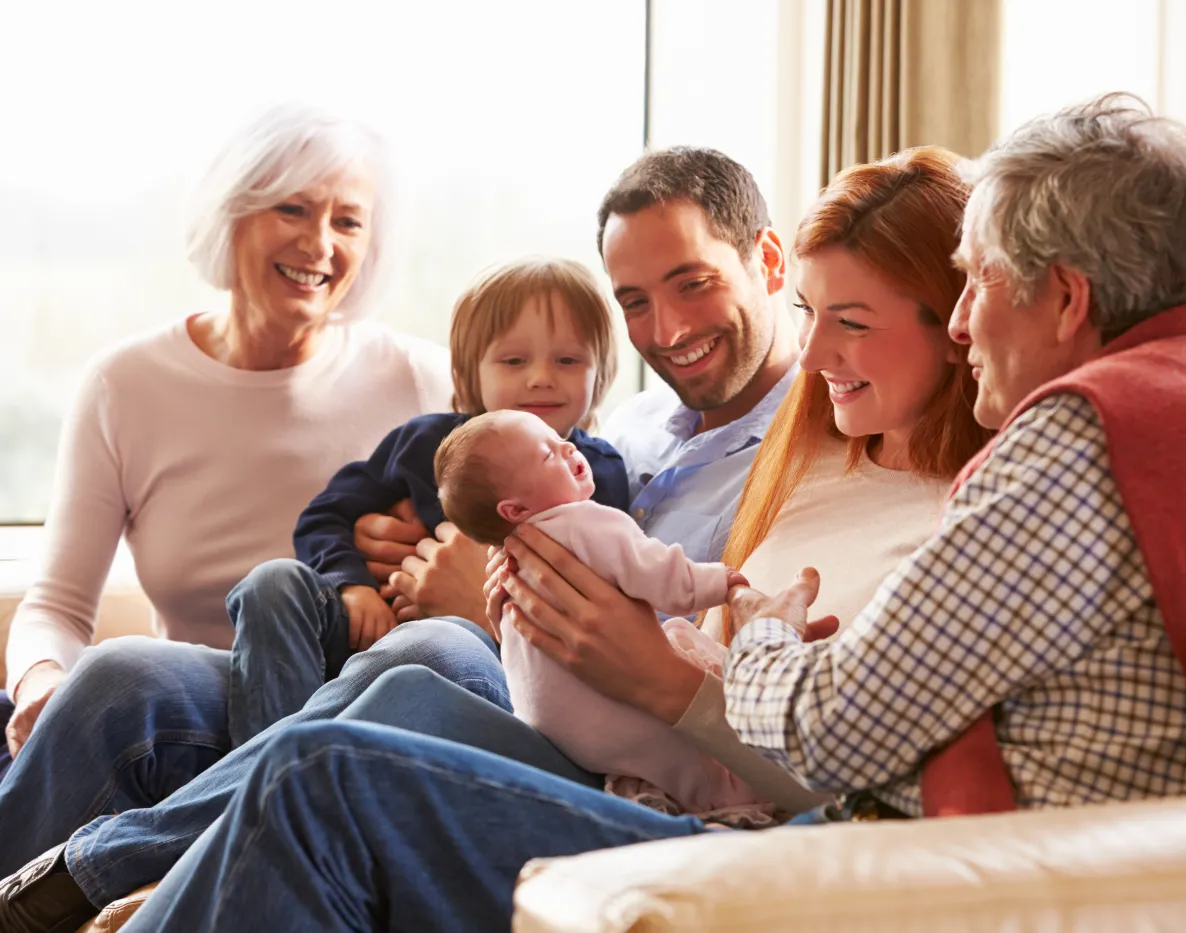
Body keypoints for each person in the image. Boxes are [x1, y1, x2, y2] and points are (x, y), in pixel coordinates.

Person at [111, 142, 1001, 932]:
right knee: (153, 683)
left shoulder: (962, 524)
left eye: (852, 322)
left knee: (356, 732)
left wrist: (641, 672)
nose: (812, 354)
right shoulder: (802, 453)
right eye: (813, 315)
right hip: (621, 735)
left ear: (958, 320)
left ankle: (135, 874)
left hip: (715, 804)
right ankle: (109, 874)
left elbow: (855, 778)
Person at [0, 145, 807, 931]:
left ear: (770, 263)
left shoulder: (807, 450)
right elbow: (449, 479)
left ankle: (131, 856)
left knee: (432, 652)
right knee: (123, 676)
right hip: (410, 665)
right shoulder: (633, 423)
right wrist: (368, 557)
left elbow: (686, 647)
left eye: (694, 282)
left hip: (582, 719)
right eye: (633, 300)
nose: (665, 328)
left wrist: (481, 603)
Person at [0, 103, 453, 772]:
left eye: (348, 221)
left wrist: (436, 557)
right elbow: (58, 608)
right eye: (293, 209)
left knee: (122, 676)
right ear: (231, 213)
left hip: (357, 716)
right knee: (112, 680)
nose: (320, 243)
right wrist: (41, 681)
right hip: (187, 722)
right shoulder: (124, 384)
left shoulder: (424, 380)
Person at [225, 258, 631, 748]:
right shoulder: (426, 444)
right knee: (271, 582)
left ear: (601, 374)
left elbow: (598, 588)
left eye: (568, 361)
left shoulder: (598, 471)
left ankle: (285, 771)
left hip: (475, 662)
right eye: (513, 361)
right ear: (470, 372)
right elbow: (326, 515)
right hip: (365, 628)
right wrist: (353, 587)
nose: (541, 378)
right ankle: (264, 761)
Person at [436, 409, 757, 815]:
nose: (568, 448)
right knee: (677, 753)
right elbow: (664, 578)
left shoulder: (508, 560)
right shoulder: (588, 523)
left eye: (560, 439)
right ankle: (722, 799)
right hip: (613, 713)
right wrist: (721, 582)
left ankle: (644, 794)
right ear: (514, 510)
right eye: (547, 454)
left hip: (547, 725)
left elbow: (512, 638)